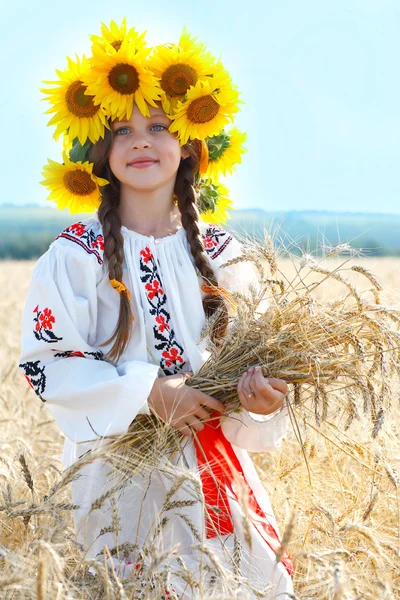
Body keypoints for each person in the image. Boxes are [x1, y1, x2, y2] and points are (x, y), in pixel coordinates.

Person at [19, 20, 294, 599]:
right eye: (121, 129)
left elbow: (259, 357)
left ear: (192, 144)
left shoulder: (224, 255)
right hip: (117, 476)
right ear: (98, 150)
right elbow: (48, 363)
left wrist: (261, 400)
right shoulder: (76, 255)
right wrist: (148, 393)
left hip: (214, 469)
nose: (141, 140)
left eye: (159, 126)